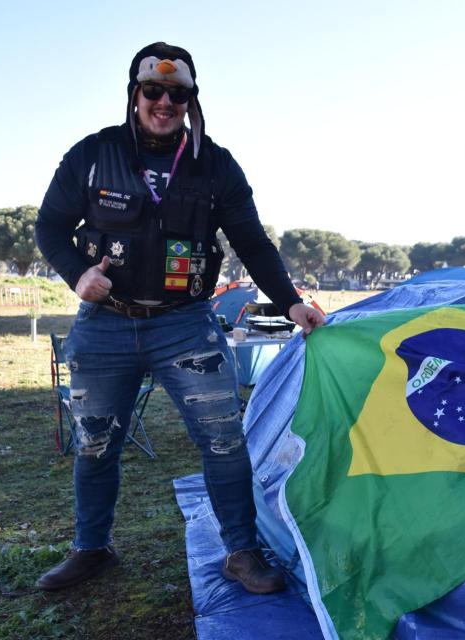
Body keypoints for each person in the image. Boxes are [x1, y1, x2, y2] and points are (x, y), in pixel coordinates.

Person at [34, 42, 325, 593]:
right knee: (95, 443)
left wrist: (290, 303)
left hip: (186, 323)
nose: (164, 102)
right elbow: (50, 226)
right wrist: (77, 274)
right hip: (105, 324)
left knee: (223, 441)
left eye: (178, 93)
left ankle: (241, 552)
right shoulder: (92, 154)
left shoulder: (216, 165)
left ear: (191, 100)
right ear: (134, 95)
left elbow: (253, 244)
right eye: (153, 91)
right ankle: (91, 548)